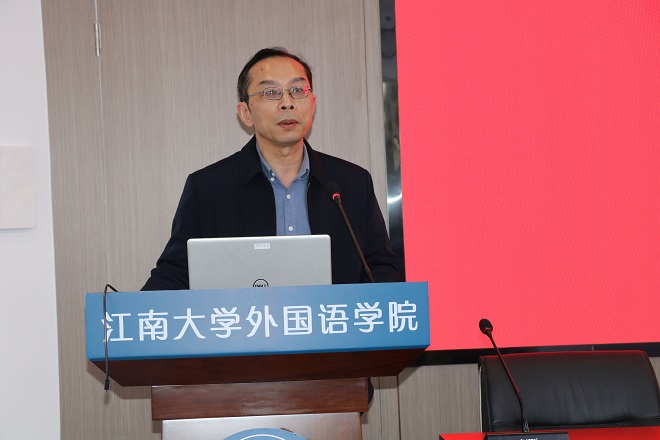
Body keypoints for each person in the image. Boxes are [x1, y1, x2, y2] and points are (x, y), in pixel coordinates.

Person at [142, 47, 402, 291]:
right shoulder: (208, 188)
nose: (287, 103)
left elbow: (380, 268)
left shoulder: (351, 183)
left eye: (297, 90)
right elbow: (176, 273)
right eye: (270, 93)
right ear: (245, 113)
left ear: (312, 104)